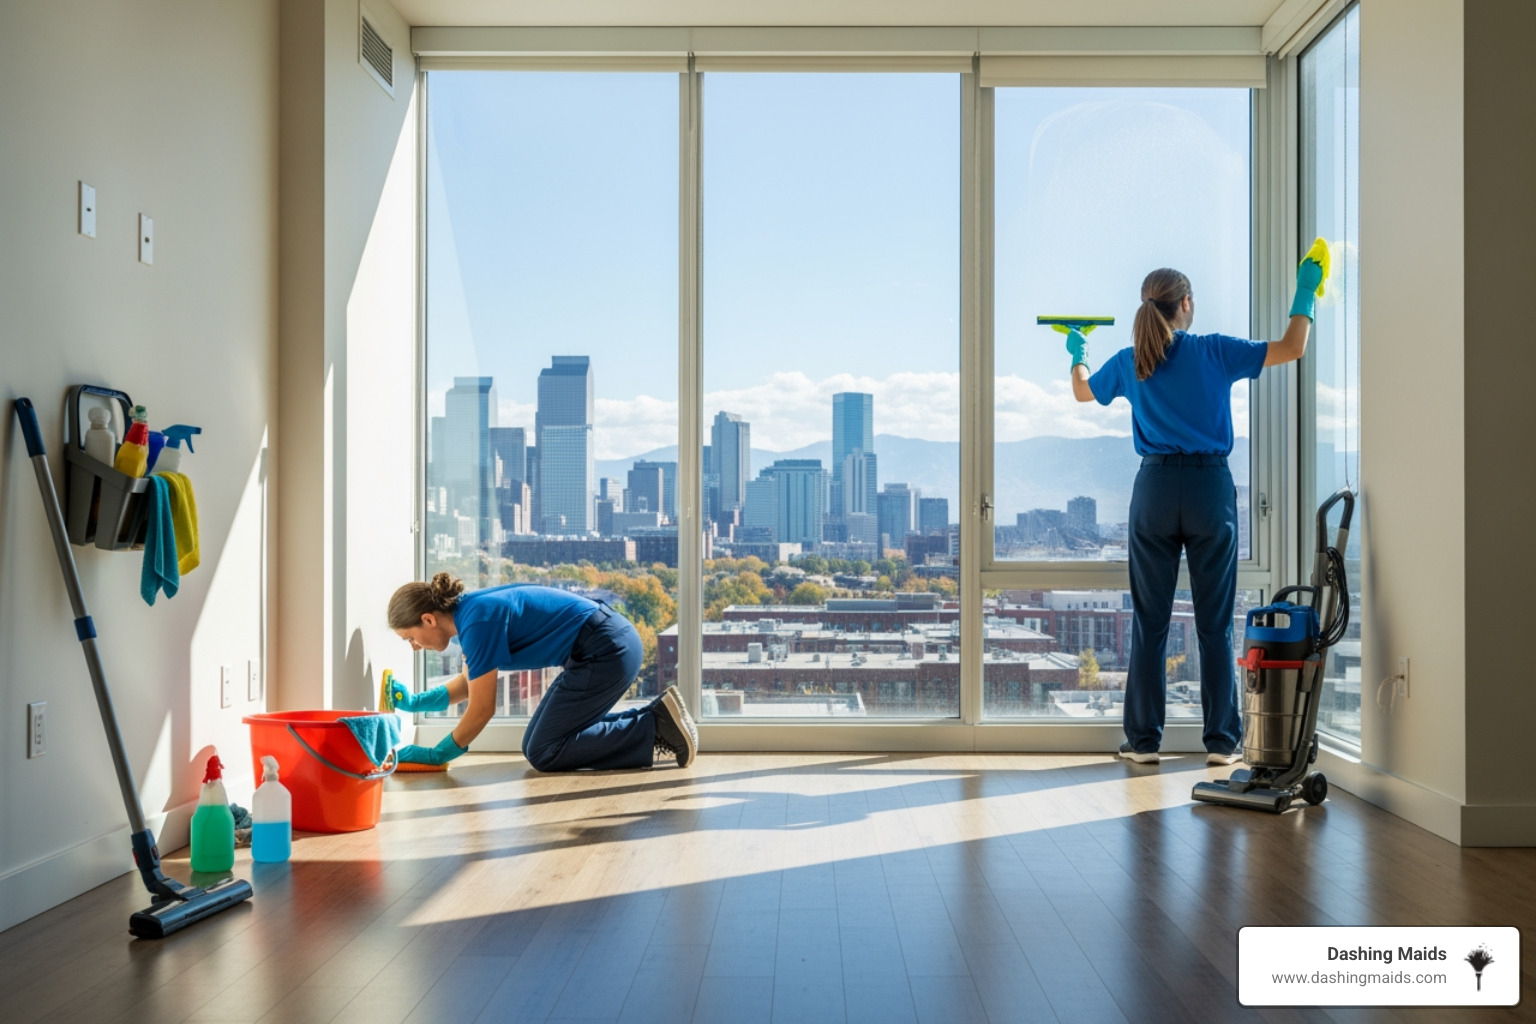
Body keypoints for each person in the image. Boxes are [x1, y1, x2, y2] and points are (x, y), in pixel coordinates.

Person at [1067, 255, 1322, 765]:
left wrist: (1078, 348)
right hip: (1209, 488)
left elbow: (1080, 390)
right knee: (1213, 622)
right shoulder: (1214, 352)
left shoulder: (1129, 359)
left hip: (1155, 488)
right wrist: (1305, 289)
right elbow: (1293, 347)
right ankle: (1222, 743)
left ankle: (1143, 743)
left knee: (1150, 621)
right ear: (1185, 305)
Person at [385, 572, 698, 771]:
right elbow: (470, 683)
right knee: (536, 744)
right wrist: (415, 702)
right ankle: (658, 720)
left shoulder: (477, 622)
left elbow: (481, 709)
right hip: (602, 645)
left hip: (605, 649)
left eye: (410, 638)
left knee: (544, 751)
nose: (414, 646)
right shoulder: (470, 613)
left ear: (428, 619)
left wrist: (437, 754)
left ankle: (655, 726)